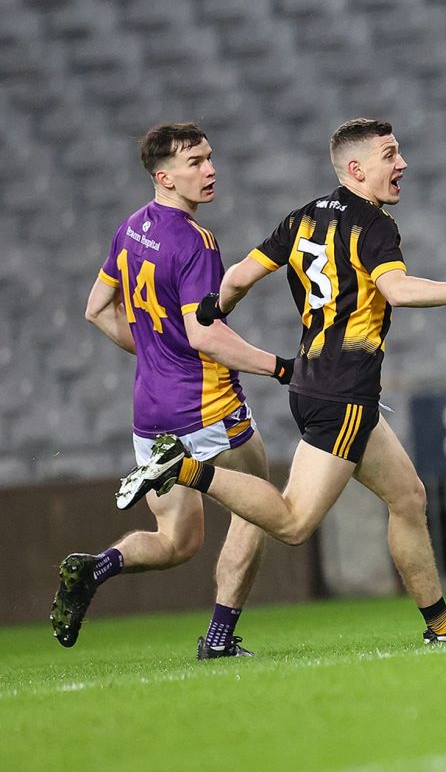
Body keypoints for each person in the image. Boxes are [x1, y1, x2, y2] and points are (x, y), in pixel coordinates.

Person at [117, 118, 446, 643]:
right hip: (343, 392)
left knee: (408, 497)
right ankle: (186, 468)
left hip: (314, 381)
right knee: (292, 523)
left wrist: (219, 305)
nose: (402, 165)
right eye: (390, 155)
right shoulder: (374, 227)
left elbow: (238, 275)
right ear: (356, 169)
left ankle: (441, 624)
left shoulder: (304, 216)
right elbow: (396, 290)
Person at [52, 123, 294, 659]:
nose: (209, 170)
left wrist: (157, 355)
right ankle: (219, 639)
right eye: (194, 163)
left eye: (209, 158)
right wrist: (280, 368)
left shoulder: (129, 230)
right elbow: (205, 333)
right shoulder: (195, 241)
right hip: (207, 407)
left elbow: (96, 309)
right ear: (163, 177)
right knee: (264, 506)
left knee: (177, 542)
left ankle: (99, 566)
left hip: (150, 412)